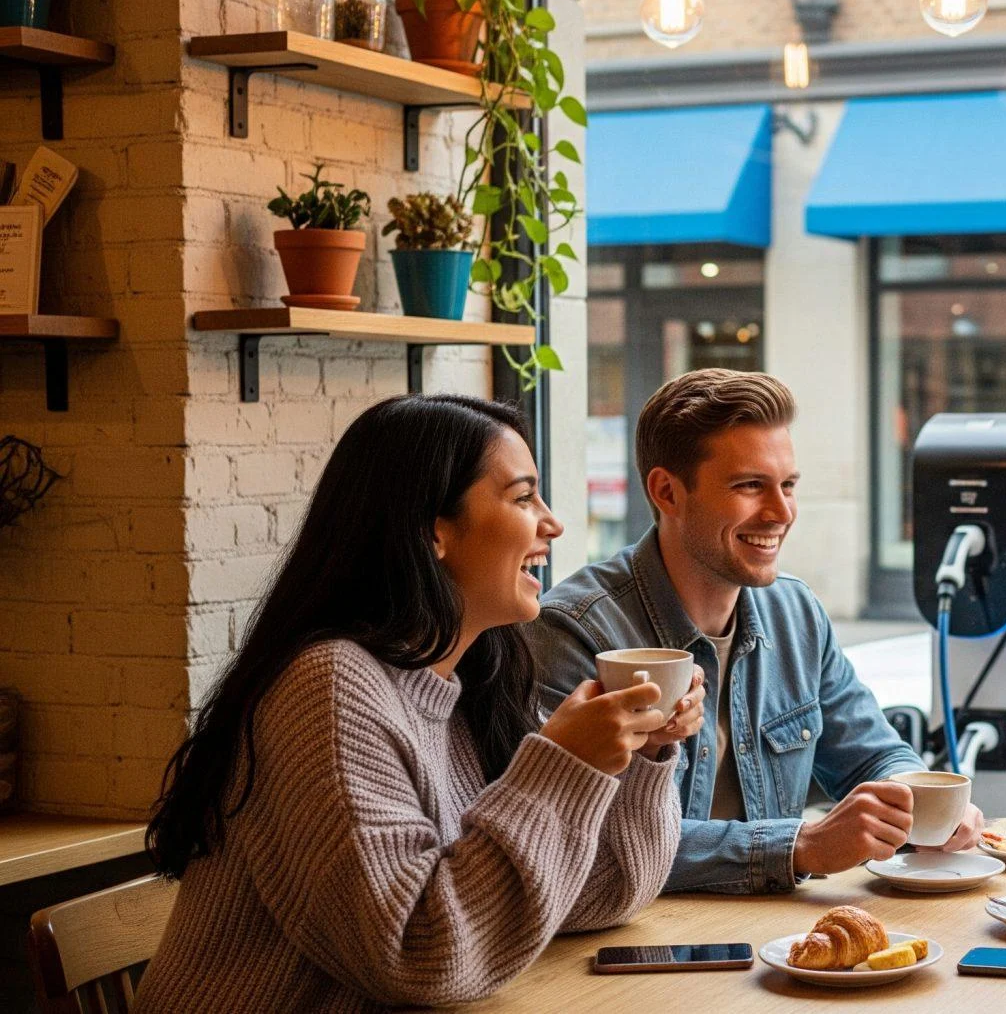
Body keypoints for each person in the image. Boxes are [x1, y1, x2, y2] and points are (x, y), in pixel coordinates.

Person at [139, 395, 699, 1012]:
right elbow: (417, 954)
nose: (552, 523)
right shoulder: (331, 687)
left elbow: (604, 893)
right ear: (434, 530)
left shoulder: (473, 682)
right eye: (522, 497)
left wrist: (644, 756)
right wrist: (566, 767)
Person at [527, 369, 985, 895]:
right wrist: (800, 847)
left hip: (778, 943)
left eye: (788, 485)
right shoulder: (574, 633)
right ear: (667, 492)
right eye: (750, 486)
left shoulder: (795, 611)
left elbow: (873, 755)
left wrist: (923, 802)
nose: (782, 512)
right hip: (628, 951)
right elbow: (587, 845)